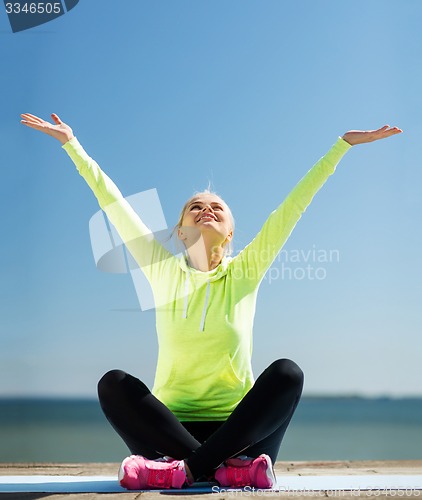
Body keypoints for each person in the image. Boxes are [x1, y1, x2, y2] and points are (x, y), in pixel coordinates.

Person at [21, 113, 402, 490]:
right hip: (170, 429)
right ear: (181, 232)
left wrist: (341, 147)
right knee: (113, 384)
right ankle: (220, 470)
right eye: (196, 207)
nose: (207, 210)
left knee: (288, 373)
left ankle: (183, 470)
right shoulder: (162, 270)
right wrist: (72, 145)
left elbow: (293, 207)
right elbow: (114, 204)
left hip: (240, 432)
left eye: (216, 209)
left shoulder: (245, 271)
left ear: (230, 232)